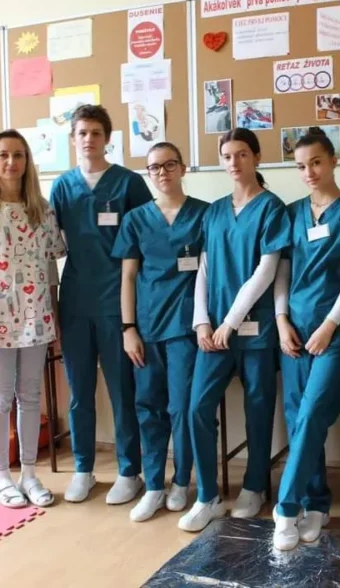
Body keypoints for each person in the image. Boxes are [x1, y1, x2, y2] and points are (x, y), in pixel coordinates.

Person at [178, 128, 291, 532]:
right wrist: (202, 320)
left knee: (258, 408)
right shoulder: (214, 212)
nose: (234, 162)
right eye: (227, 156)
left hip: (254, 330)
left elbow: (266, 270)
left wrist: (231, 321)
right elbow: (204, 269)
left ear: (256, 157)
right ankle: (207, 496)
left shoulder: (272, 209)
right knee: (197, 407)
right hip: (215, 333)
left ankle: (254, 485)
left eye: (241, 154)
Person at [50, 105, 153, 504]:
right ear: (72, 139)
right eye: (82, 133)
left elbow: (146, 241)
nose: (88, 139)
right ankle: (83, 468)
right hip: (76, 300)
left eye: (96, 132)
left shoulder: (128, 184)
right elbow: (53, 244)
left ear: (107, 138)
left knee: (122, 390)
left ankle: (130, 471)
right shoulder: (62, 187)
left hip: (117, 302)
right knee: (79, 391)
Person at [272, 128, 340, 550]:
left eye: (316, 162)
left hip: (335, 334)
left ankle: (285, 508)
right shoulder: (293, 213)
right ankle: (317, 504)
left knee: (311, 416)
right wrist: (281, 320)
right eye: (300, 166)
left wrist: (328, 325)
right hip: (293, 332)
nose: (308, 172)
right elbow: (283, 273)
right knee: (298, 420)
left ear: (333, 160)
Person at [112, 143, 208, 522]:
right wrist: (128, 328)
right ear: (148, 174)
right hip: (147, 327)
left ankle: (182, 480)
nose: (162, 172)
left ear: (183, 168)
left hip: (187, 328)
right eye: (154, 167)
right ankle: (153, 485)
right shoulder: (136, 219)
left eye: (169, 165)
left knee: (181, 407)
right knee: (149, 406)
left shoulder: (204, 214)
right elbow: (128, 277)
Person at [0, 129, 66, 508]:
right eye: (3, 155)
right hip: (2, 319)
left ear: (28, 161)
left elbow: (51, 266)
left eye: (18, 155)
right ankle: (3, 477)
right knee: (1, 398)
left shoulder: (42, 209)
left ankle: (29, 474)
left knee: (30, 396)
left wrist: (53, 313)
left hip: (36, 315)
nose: (11, 162)